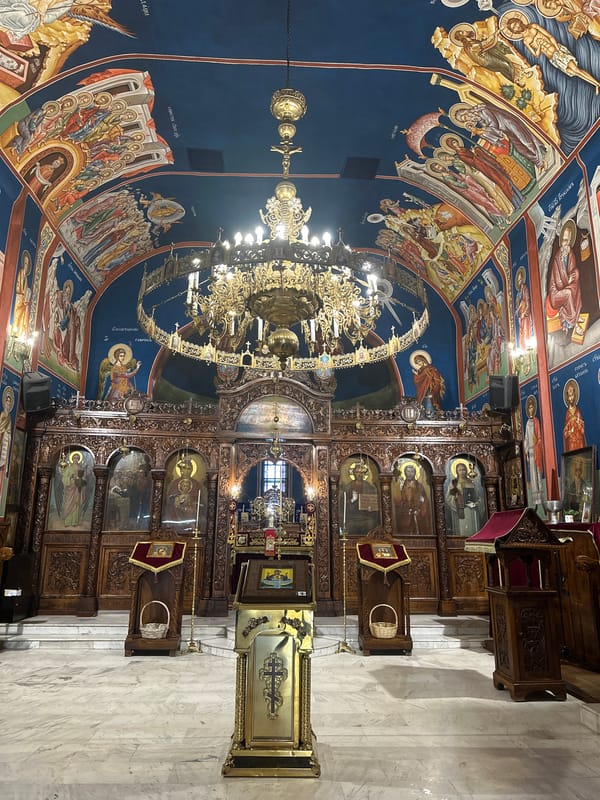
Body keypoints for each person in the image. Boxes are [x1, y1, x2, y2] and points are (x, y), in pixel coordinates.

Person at [500, 9, 600, 93]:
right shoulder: (525, 41)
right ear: (514, 31)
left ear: (519, 21)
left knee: (576, 69)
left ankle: (597, 83)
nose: (517, 26)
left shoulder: (533, 26)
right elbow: (536, 54)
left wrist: (558, 49)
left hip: (557, 51)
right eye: (514, 27)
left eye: (516, 24)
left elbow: (550, 37)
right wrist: (538, 47)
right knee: (573, 72)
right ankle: (595, 84)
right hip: (552, 58)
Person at [548, 219, 582, 343]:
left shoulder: (571, 254)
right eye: (563, 240)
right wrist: (568, 279)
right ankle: (572, 322)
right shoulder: (557, 258)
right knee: (568, 293)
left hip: (566, 286)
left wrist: (573, 276)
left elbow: (574, 271)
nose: (565, 244)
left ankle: (570, 321)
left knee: (575, 285)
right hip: (556, 292)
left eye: (567, 241)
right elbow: (557, 282)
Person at [393, 461, 431, 535]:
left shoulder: (419, 486)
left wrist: (420, 508)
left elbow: (425, 500)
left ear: (415, 473)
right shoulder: (401, 486)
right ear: (405, 472)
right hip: (404, 513)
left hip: (417, 513)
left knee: (417, 530)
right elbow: (397, 499)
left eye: (412, 471)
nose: (410, 473)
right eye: (408, 471)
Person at [524, 395, 544, 507]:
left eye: (532, 407)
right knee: (532, 474)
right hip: (530, 452)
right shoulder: (527, 423)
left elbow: (539, 436)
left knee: (538, 473)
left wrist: (537, 444)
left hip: (536, 450)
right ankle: (536, 501)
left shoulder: (536, 421)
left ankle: (541, 498)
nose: (531, 409)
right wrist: (526, 451)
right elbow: (526, 438)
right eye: (529, 408)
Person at [0, 387, 14, 510]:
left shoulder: (9, 417)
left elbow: (8, 431)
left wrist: (7, 435)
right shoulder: (2, 415)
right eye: (7, 402)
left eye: (10, 403)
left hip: (4, 442)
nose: (8, 404)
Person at [563, 378, 586, 452]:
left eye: (572, 395)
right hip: (572, 445)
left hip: (580, 442)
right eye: (569, 396)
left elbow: (583, 431)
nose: (571, 398)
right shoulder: (567, 413)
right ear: (567, 398)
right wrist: (570, 432)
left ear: (574, 395)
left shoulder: (578, 411)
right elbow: (565, 433)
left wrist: (579, 424)